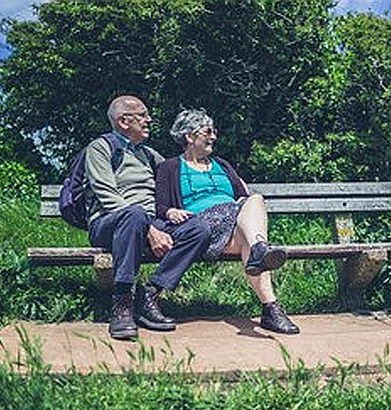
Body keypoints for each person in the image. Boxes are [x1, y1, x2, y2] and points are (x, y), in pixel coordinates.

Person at [157, 108, 300, 335]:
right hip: (201, 229)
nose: (214, 136)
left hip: (232, 228)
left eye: (214, 131)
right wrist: (170, 212)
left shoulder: (222, 164)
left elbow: (242, 196)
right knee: (252, 232)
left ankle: (270, 307)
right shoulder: (171, 167)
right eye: (208, 131)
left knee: (253, 212)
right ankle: (261, 256)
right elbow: (161, 206)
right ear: (190, 136)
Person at [85, 95, 211, 340]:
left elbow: (169, 188)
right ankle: (122, 304)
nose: (148, 119)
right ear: (122, 121)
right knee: (134, 213)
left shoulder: (150, 155)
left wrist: (168, 213)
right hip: (109, 222)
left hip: (148, 221)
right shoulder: (100, 148)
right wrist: (149, 229)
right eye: (142, 115)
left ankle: (150, 294)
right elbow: (107, 196)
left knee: (199, 230)